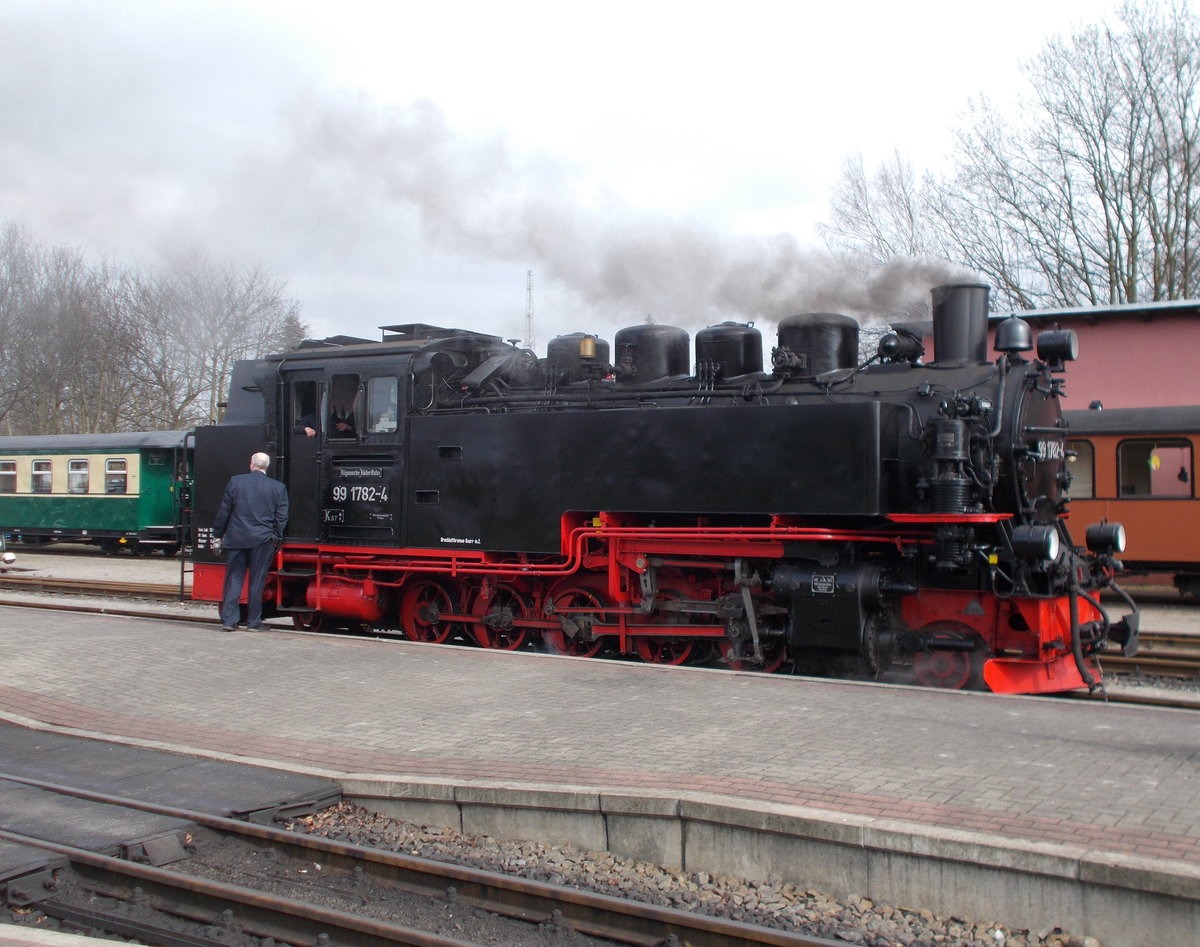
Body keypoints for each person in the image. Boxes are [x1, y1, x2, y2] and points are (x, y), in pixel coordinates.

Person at [212, 452, 289, 632]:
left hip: (236, 538)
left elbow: (224, 511)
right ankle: (254, 622)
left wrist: (218, 534)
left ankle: (229, 621)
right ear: (266, 466)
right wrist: (276, 535)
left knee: (234, 579)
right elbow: (282, 516)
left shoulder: (236, 482)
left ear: (252, 464)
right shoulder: (278, 487)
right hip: (263, 540)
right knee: (257, 580)